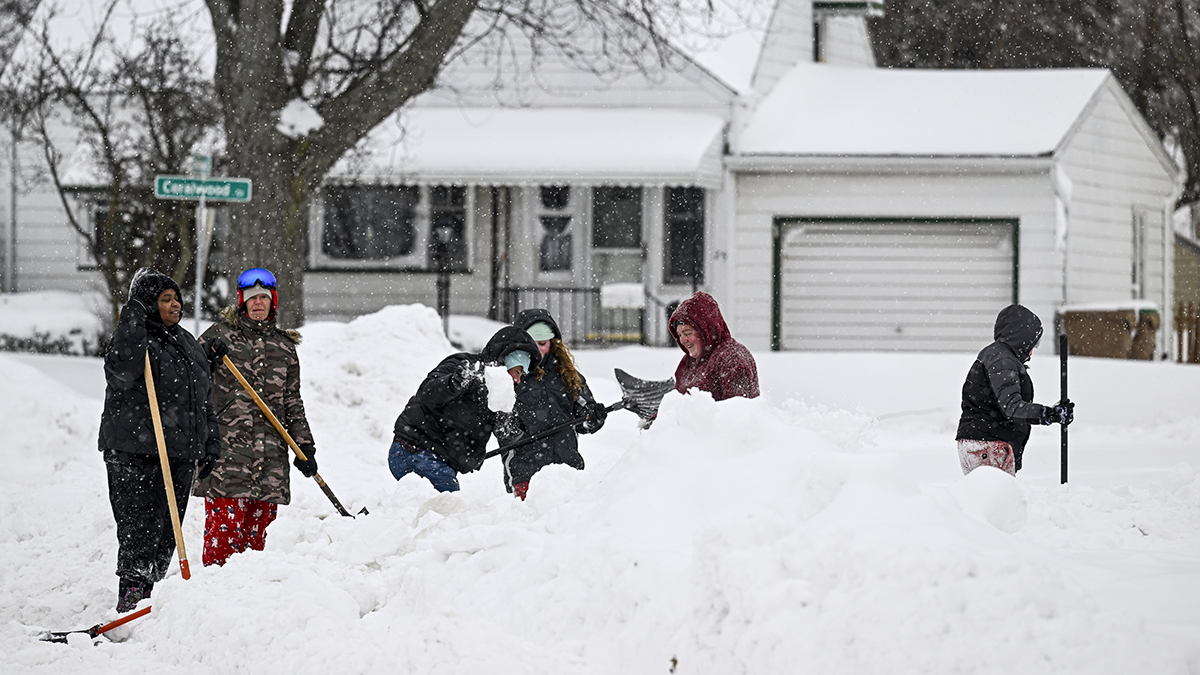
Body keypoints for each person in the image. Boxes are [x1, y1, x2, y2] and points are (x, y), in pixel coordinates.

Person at [99, 268, 221, 612]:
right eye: (165, 299)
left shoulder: (186, 343)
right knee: (139, 532)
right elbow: (123, 370)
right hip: (135, 453)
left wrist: (210, 442)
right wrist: (133, 316)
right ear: (148, 304)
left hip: (178, 454)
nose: (175, 304)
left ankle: (149, 600)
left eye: (176, 298)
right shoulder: (133, 337)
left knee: (167, 535)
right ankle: (131, 599)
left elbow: (202, 398)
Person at [193, 267, 318, 567]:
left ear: (272, 301)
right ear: (242, 302)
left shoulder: (284, 348)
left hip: (269, 462)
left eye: (264, 297)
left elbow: (292, 401)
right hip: (227, 459)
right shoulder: (219, 336)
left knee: (255, 548)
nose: (258, 302)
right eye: (252, 298)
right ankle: (213, 591)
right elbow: (188, 375)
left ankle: (247, 596)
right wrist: (205, 355)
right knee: (223, 541)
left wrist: (304, 446)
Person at [388, 326, 539, 493]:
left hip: (437, 462)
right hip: (414, 450)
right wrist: (453, 383)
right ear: (505, 360)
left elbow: (507, 436)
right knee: (448, 505)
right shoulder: (466, 367)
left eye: (521, 375)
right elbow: (427, 393)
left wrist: (506, 420)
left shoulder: (499, 393)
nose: (518, 380)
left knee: (437, 505)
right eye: (517, 371)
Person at [500, 309, 608, 500]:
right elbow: (499, 425)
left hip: (568, 471)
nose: (537, 349)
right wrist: (513, 429)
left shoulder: (567, 374)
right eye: (531, 343)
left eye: (542, 343)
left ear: (552, 342)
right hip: (525, 474)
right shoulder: (510, 377)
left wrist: (593, 417)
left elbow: (583, 419)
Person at [956, 304, 1074, 475]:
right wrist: (1049, 414)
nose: (1031, 352)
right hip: (989, 444)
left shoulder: (998, 356)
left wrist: (1051, 413)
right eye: (1033, 343)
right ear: (1022, 338)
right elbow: (1011, 406)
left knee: (989, 493)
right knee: (997, 493)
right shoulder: (1001, 359)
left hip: (982, 442)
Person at [668, 291, 760, 401]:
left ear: (705, 331)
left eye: (687, 334)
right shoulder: (688, 363)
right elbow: (677, 404)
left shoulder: (732, 358)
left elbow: (737, 407)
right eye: (679, 335)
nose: (683, 340)